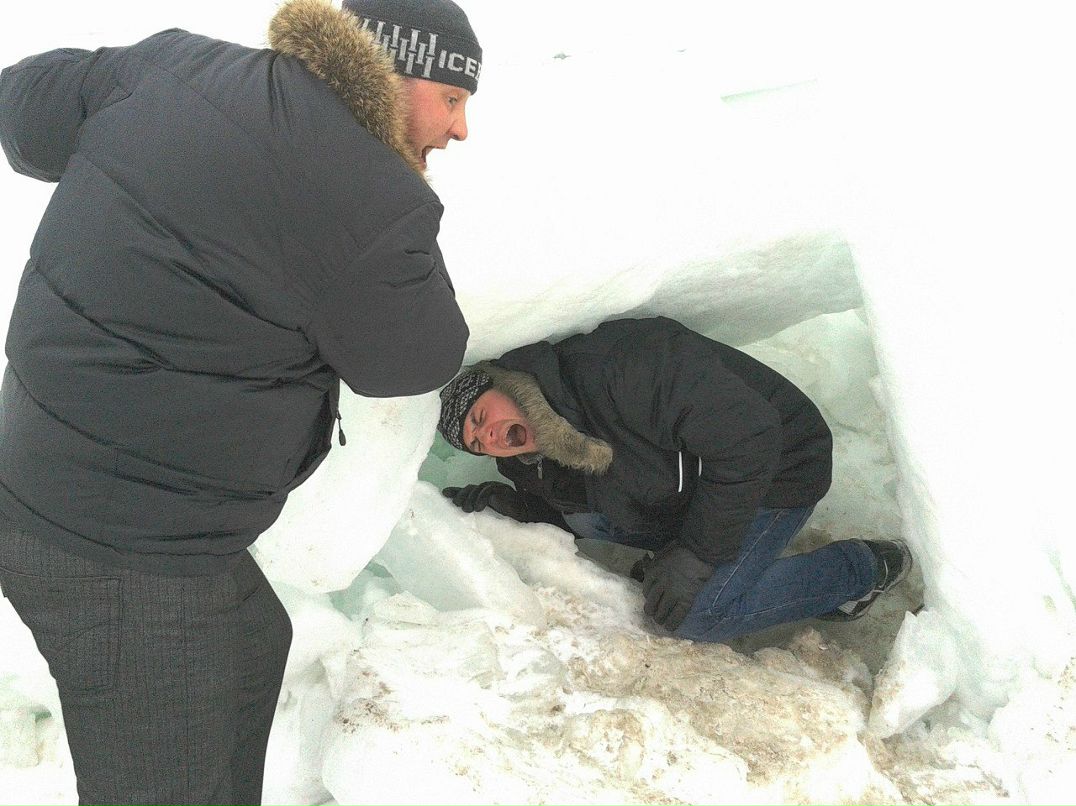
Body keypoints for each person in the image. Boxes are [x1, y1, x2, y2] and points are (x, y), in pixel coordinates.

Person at [0, 0, 479, 803]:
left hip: (70, 483)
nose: (460, 131)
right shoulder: (373, 199)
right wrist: (396, 194)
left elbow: (22, 109)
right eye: (454, 100)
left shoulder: (172, 63)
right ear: (395, 71)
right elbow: (415, 358)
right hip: (115, 550)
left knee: (255, 646)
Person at [438, 317, 912, 642]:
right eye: (477, 444)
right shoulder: (533, 451)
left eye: (481, 417)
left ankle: (862, 569)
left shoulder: (623, 369)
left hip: (778, 466)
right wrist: (526, 512)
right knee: (583, 516)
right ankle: (707, 552)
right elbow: (577, 499)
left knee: (700, 614)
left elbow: (751, 438)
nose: (491, 438)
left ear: (504, 383)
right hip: (686, 485)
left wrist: (696, 556)